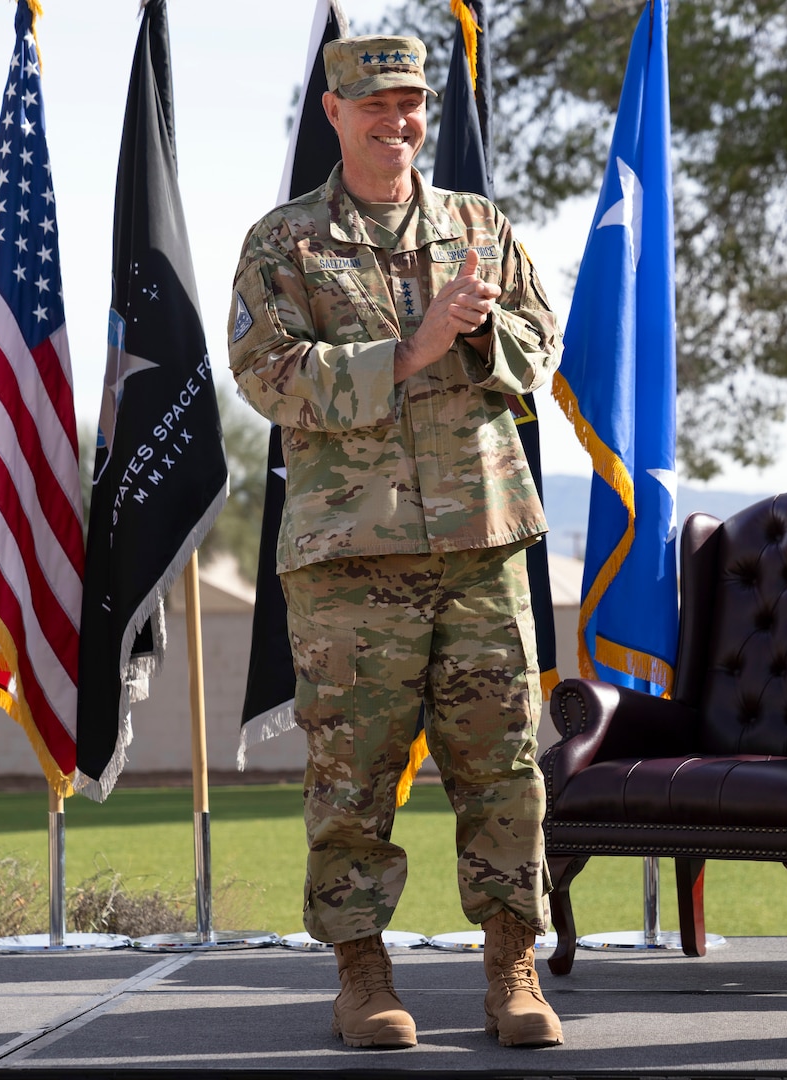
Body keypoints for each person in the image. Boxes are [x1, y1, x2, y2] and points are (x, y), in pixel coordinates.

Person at [227, 36, 563, 1050]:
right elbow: (266, 374)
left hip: (483, 545)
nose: (397, 121)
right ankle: (361, 974)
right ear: (333, 111)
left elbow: (538, 350)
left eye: (410, 103)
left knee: (503, 766)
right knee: (352, 776)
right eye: (373, 104)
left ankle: (513, 970)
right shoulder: (284, 241)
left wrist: (478, 333)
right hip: (350, 558)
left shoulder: (480, 227)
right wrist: (409, 349)